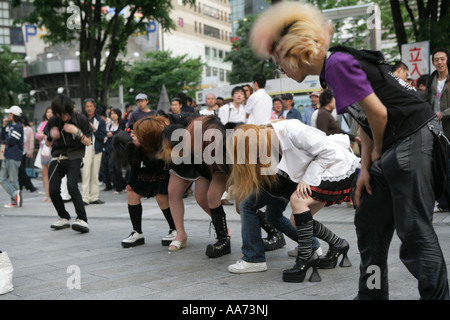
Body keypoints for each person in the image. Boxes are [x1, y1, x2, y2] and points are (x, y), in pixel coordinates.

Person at [250, 1, 449, 299]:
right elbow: (365, 121)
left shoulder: (338, 63)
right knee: (369, 224)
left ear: (295, 51)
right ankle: (371, 294)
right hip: (391, 145)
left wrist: (377, 154)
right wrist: (366, 168)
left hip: (415, 137)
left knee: (413, 232)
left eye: (280, 60)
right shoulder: (328, 73)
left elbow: (379, 114)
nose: (280, 68)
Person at [226, 120, 359, 279]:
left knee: (297, 202)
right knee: (297, 221)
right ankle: (337, 244)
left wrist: (307, 180)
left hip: (336, 167)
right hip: (312, 172)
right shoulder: (268, 137)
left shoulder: (291, 130)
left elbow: (328, 152)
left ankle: (302, 258)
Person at [119, 116, 177, 248]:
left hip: (164, 171)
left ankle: (174, 229)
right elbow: (134, 165)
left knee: (161, 197)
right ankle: (137, 232)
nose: (133, 136)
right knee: (132, 194)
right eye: (133, 133)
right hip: (147, 172)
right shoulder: (135, 146)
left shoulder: (161, 140)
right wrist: (130, 182)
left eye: (136, 134)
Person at [44, 94, 93, 233]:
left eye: (65, 113)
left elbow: (88, 142)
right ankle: (63, 216)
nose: (63, 116)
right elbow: (47, 144)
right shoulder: (54, 120)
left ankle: (82, 219)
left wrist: (76, 132)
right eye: (60, 114)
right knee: (52, 189)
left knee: (72, 185)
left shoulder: (80, 119)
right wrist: (51, 136)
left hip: (75, 155)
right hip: (58, 155)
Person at [81, 98, 106, 205]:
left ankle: (94, 196)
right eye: (87, 106)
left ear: (94, 107)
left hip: (97, 148)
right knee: (85, 172)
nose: (89, 108)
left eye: (91, 106)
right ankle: (85, 197)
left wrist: (94, 130)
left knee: (95, 173)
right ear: (84, 108)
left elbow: (103, 136)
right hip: (85, 147)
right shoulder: (81, 119)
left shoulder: (100, 121)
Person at [0, 106, 24, 208]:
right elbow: (2, 137)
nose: (8, 115)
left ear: (13, 115)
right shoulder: (10, 126)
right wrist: (4, 125)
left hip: (14, 156)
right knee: (2, 178)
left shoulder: (19, 127)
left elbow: (10, 140)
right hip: (7, 155)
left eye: (10, 113)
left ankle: (15, 200)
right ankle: (15, 196)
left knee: (13, 180)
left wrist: (6, 137)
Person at [104, 108, 126, 194]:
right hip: (110, 148)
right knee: (113, 167)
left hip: (119, 148)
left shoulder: (122, 123)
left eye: (115, 114)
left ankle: (118, 187)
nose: (113, 115)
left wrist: (113, 135)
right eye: (111, 114)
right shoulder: (109, 125)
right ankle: (122, 185)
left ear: (119, 114)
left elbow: (125, 133)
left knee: (116, 167)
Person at [35, 107, 54, 202]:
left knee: (51, 172)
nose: (49, 114)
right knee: (44, 172)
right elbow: (37, 135)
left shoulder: (55, 123)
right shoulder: (42, 123)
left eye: (51, 112)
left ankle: (52, 194)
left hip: (51, 148)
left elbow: (54, 135)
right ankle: (47, 194)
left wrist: (43, 135)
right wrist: (41, 135)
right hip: (43, 148)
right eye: (48, 112)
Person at [18, 115, 38, 193]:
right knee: (21, 169)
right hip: (19, 151)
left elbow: (31, 141)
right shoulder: (19, 128)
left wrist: (30, 151)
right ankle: (27, 186)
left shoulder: (29, 129)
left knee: (21, 169)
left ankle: (27, 186)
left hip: (25, 151)